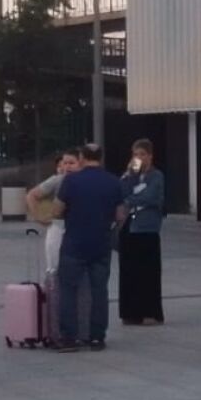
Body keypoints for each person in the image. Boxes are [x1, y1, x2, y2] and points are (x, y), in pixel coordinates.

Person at [54, 144, 123, 351]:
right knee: (99, 290)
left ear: (82, 158)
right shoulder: (114, 182)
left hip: (74, 243)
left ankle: (69, 337)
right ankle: (97, 337)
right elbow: (120, 215)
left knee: (68, 289)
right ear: (101, 159)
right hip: (101, 243)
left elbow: (57, 211)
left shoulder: (71, 180)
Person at [116, 139, 166, 326]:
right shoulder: (131, 176)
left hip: (147, 226)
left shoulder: (156, 176)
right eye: (136, 155)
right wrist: (130, 174)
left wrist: (130, 201)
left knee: (148, 270)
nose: (139, 158)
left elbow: (150, 196)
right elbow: (121, 192)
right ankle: (130, 312)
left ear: (150, 156)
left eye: (142, 155)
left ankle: (150, 311)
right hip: (130, 226)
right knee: (129, 270)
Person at [29, 148, 82, 282]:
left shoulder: (85, 181)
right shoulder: (57, 180)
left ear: (81, 164)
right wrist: (39, 217)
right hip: (58, 228)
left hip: (79, 229)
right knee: (54, 268)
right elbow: (32, 195)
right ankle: (54, 298)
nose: (67, 167)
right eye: (65, 163)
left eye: (72, 163)